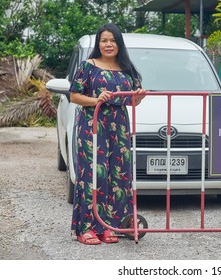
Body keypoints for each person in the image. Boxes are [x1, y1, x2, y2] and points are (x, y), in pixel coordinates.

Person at [69, 23, 145, 245]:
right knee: (93, 175)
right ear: (98, 43)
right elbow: (74, 96)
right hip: (93, 126)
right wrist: (96, 100)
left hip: (119, 128)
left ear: (119, 43)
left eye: (112, 40)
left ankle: (111, 226)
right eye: (104, 40)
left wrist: (139, 96)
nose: (108, 44)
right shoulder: (88, 67)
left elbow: (133, 101)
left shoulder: (127, 69)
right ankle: (86, 228)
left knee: (118, 175)